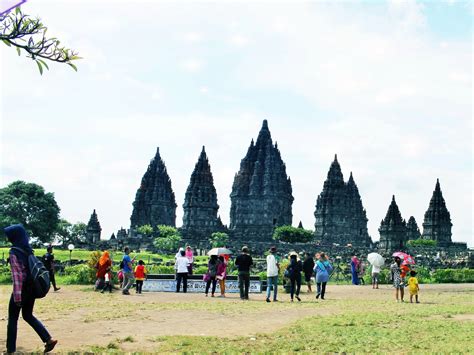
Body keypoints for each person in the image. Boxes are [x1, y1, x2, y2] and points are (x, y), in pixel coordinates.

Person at [4, 224, 58, 353]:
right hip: (31, 289)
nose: (8, 238)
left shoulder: (14, 252)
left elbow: (17, 277)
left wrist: (17, 297)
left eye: (9, 236)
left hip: (21, 290)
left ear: (14, 236)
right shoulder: (28, 250)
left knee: (12, 319)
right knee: (28, 315)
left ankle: (10, 350)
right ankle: (48, 340)